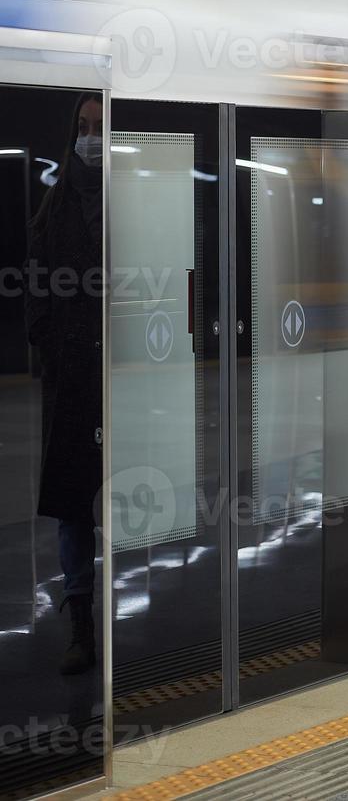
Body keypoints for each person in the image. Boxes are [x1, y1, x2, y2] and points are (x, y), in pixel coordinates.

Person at [25, 92, 105, 675]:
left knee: (130, 494)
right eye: (82, 127)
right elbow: (34, 295)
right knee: (75, 505)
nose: (89, 137)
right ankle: (81, 621)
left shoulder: (132, 202)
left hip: (123, 378)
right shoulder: (53, 208)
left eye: (99, 127)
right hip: (72, 379)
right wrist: (53, 345)